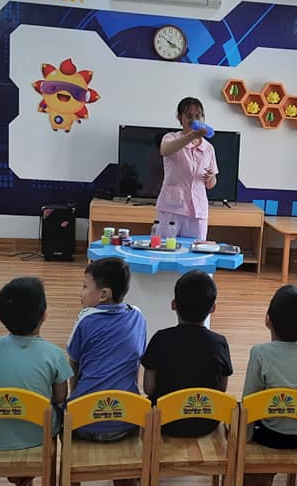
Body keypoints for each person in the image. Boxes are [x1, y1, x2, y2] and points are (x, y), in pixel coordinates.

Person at [0, 277, 73, 486]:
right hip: (39, 435)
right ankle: (27, 473)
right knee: (61, 409)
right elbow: (60, 397)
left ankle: (20, 474)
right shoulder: (54, 353)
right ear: (44, 315)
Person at [242, 285, 297, 486]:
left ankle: (260, 475)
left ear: (267, 319)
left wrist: (245, 440)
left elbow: (249, 402)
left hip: (271, 436)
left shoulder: (259, 353)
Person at [141, 270, 233, 438]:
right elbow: (222, 389)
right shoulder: (219, 343)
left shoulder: (160, 339)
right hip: (207, 422)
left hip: (164, 421)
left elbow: (149, 388)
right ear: (213, 308)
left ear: (173, 304)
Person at [67, 258, 147, 442]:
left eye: (85, 287)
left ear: (104, 294)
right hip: (128, 420)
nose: (81, 292)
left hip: (84, 422)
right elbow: (137, 360)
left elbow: (73, 363)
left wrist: (76, 400)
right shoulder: (138, 316)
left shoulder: (85, 319)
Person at [156, 96, 218, 241]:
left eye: (198, 115)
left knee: (196, 250)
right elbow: (165, 150)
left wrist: (211, 178)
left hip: (198, 211)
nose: (194, 119)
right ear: (180, 118)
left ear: (203, 118)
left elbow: (211, 183)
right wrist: (191, 136)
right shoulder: (171, 137)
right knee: (164, 248)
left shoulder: (208, 148)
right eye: (189, 116)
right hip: (172, 208)